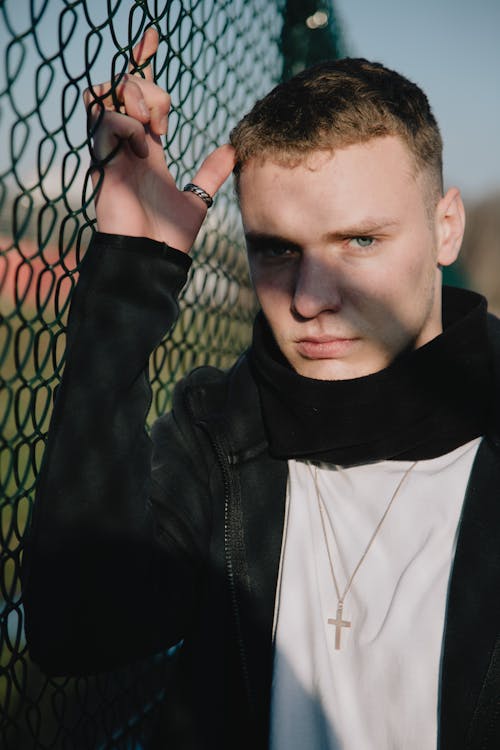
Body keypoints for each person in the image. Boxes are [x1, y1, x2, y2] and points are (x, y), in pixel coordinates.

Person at [22, 27, 500, 750]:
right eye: (276, 249)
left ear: (446, 229)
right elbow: (79, 629)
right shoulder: (218, 430)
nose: (310, 298)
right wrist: (130, 278)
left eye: (359, 242)